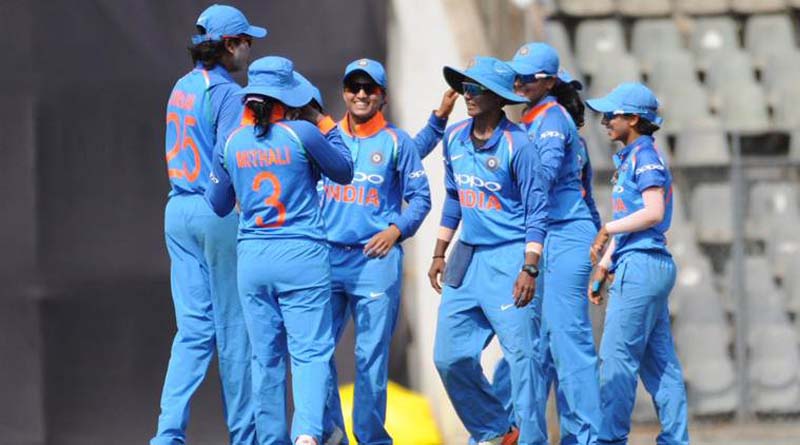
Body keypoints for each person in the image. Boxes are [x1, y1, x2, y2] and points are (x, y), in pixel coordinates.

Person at [205, 56, 354, 445]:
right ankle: (306, 434)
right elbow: (344, 169)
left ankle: (270, 439)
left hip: (253, 261)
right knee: (309, 353)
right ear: (285, 100)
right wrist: (322, 119)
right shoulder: (303, 133)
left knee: (265, 358)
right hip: (301, 256)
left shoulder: (232, 142)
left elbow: (218, 204)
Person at [153, 5, 265, 445]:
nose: (249, 49)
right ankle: (245, 436)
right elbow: (230, 159)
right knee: (235, 331)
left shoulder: (181, 86)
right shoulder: (229, 93)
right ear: (228, 45)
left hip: (176, 211)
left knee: (193, 331)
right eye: (244, 41)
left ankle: (167, 434)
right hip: (212, 210)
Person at [428, 55, 547, 445]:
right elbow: (453, 197)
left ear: (498, 98)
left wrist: (529, 268)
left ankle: (530, 439)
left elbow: (536, 211)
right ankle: (495, 430)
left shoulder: (519, 145)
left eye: (478, 89)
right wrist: (438, 252)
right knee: (449, 357)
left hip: (509, 255)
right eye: (466, 87)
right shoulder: (454, 136)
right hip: (467, 256)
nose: (469, 95)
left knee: (522, 359)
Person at [319, 58, 435, 445]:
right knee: (313, 352)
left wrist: (396, 230)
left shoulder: (397, 142)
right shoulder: (324, 137)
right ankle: (330, 433)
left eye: (370, 88)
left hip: (375, 261)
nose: (361, 94)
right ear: (344, 91)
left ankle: (370, 439)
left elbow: (420, 199)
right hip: (326, 259)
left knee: (370, 359)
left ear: (383, 96)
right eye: (354, 86)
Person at [486, 66, 603, 444]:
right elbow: (587, 196)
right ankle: (513, 429)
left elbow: (545, 179)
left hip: (561, 233)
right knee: (529, 343)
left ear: (551, 83)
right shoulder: (535, 120)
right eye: (516, 78)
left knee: (564, 341)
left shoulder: (552, 120)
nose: (519, 83)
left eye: (527, 77)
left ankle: (583, 437)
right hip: (544, 236)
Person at [585, 83, 689, 445]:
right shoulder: (633, 157)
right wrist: (606, 265)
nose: (604, 121)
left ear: (633, 118)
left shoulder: (643, 156)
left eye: (612, 115)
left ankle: (609, 440)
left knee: (615, 360)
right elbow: (637, 219)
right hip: (645, 261)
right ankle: (676, 439)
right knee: (660, 364)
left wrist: (606, 229)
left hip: (643, 266)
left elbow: (653, 212)